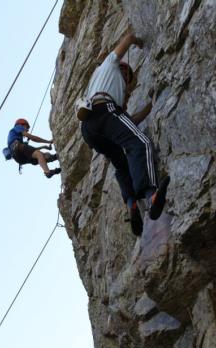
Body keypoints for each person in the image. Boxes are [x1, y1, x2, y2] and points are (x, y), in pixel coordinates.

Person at [80, 30, 171, 236]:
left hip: (89, 128)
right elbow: (129, 38)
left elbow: (129, 121)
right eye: (128, 77)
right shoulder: (111, 65)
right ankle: (151, 195)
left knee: (121, 164)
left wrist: (150, 106)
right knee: (141, 144)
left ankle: (130, 203)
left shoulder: (102, 83)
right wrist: (139, 41)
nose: (128, 84)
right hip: (104, 112)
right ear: (123, 69)